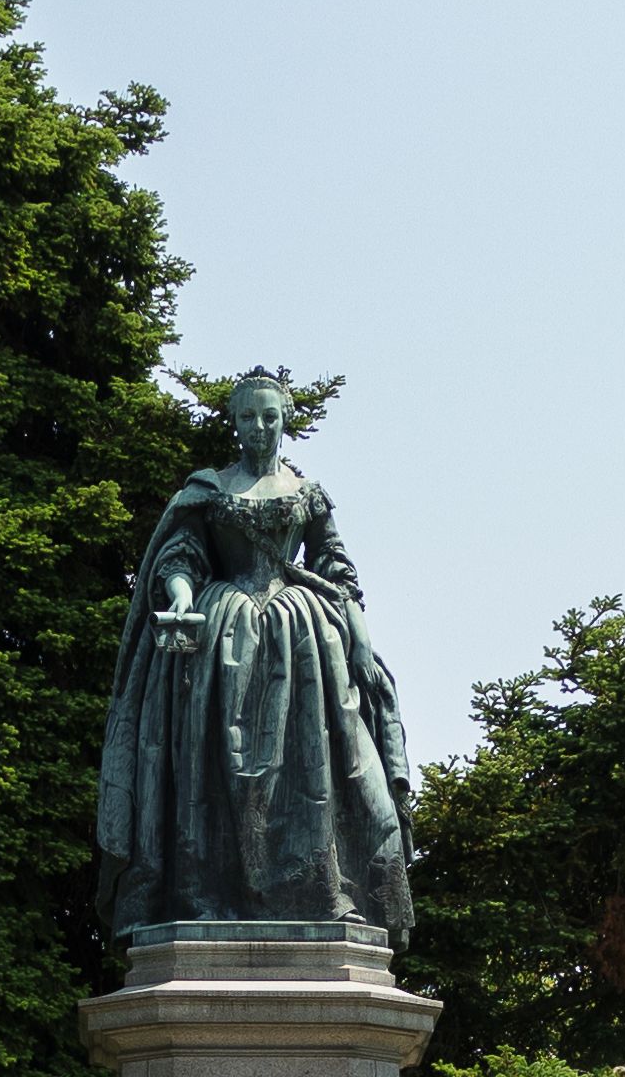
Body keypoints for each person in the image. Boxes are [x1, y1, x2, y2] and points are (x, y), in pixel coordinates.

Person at [89, 370, 413, 935]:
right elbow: (180, 558)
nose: (260, 427)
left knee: (316, 766)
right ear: (233, 421)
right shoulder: (210, 489)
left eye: (270, 416)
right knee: (212, 765)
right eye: (247, 416)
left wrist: (359, 640)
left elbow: (337, 572)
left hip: (302, 637)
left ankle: (317, 889)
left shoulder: (307, 494)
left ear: (285, 419)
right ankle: (204, 893)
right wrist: (183, 598)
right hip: (220, 635)